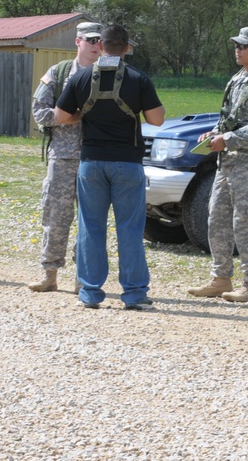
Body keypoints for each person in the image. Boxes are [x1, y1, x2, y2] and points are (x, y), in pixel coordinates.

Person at [55, 24, 165, 310]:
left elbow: (60, 116)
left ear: (101, 46)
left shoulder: (80, 78)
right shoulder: (138, 79)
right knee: (129, 228)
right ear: (127, 48)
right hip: (127, 163)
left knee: (90, 227)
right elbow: (157, 120)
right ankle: (134, 294)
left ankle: (90, 293)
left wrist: (86, 112)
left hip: (90, 162)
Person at [187, 26, 248, 303]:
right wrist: (214, 133)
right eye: (236, 45)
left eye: (244, 46)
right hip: (227, 162)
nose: (237, 50)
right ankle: (221, 279)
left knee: (247, 224)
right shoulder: (238, 79)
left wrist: (226, 139)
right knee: (216, 220)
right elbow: (229, 117)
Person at [28, 21, 104, 292]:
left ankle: (82, 277)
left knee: (90, 219)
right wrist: (75, 118)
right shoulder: (58, 73)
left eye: (100, 41)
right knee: (55, 216)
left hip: (96, 158)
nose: (96, 46)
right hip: (62, 157)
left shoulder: (107, 74)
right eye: (91, 40)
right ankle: (49, 273)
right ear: (78, 41)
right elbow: (40, 113)